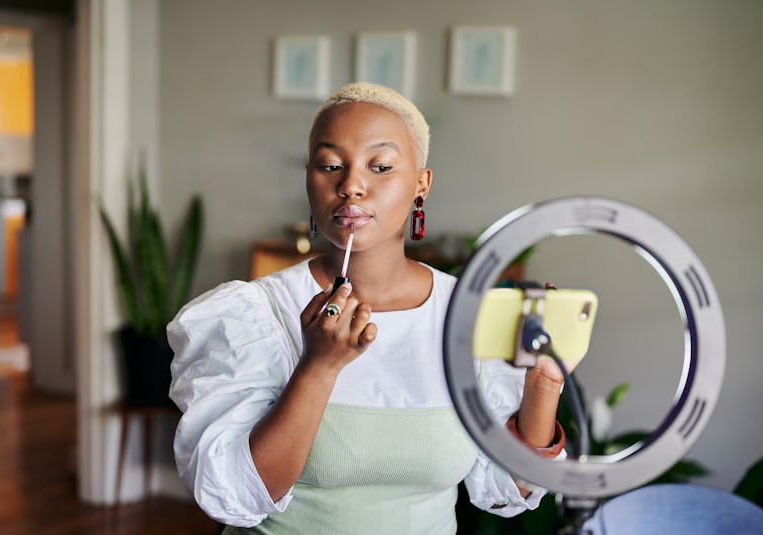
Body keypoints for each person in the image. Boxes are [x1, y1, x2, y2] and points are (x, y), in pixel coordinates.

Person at [168, 82, 569, 534]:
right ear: (308, 178)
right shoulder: (254, 315)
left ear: (421, 184)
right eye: (330, 165)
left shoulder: (467, 313)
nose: (351, 185)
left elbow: (505, 490)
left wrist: (543, 385)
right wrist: (317, 368)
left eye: (380, 166)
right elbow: (234, 499)